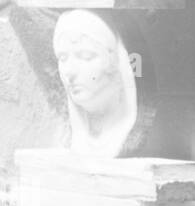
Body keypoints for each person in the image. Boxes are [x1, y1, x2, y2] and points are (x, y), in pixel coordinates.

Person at [52, 9, 138, 158]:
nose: (70, 71)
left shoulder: (125, 135)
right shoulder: (76, 140)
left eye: (86, 56)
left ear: (114, 62)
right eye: (63, 58)